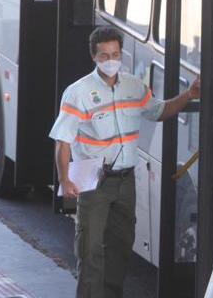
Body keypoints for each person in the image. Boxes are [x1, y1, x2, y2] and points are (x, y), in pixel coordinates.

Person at [50, 26, 200, 298]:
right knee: (90, 251)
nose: (111, 60)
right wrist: (64, 179)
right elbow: (62, 141)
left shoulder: (133, 86)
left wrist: (188, 95)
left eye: (115, 54)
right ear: (94, 57)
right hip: (95, 182)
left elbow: (159, 110)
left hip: (126, 182)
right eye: (104, 56)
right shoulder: (78, 93)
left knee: (119, 250)